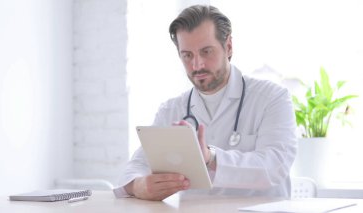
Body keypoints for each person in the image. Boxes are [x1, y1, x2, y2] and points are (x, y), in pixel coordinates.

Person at [113, 5, 297, 201]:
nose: (197, 65)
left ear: (228, 47)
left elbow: (275, 166)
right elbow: (138, 164)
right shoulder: (171, 110)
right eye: (187, 55)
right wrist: (138, 185)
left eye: (206, 51)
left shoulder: (272, 98)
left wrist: (211, 158)